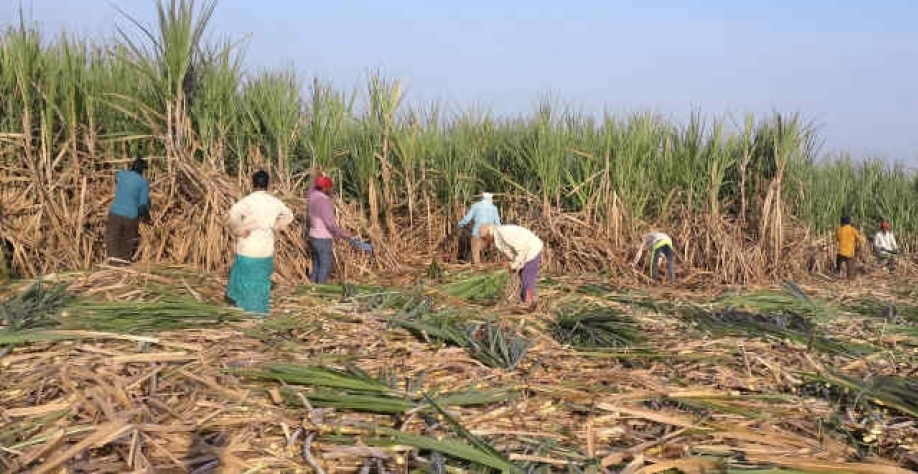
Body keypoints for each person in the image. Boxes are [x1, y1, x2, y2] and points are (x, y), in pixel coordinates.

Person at [226, 170, 293, 314]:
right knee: (261, 281)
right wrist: (276, 226)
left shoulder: (248, 200)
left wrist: (239, 230)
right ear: (268, 184)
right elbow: (289, 216)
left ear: (253, 183)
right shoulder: (274, 202)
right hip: (265, 247)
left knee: (245, 280)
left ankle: (243, 312)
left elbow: (232, 214)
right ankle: (258, 312)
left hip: (248, 245)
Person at [479, 223, 543, 306]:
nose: (485, 241)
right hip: (525, 253)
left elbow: (522, 249)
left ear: (489, 234)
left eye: (485, 238)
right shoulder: (497, 238)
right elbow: (512, 252)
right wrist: (511, 263)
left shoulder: (504, 233)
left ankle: (529, 303)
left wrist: (514, 265)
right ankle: (526, 302)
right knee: (523, 279)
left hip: (531, 251)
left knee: (526, 279)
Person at [306, 172, 352, 284]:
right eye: (329, 187)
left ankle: (312, 287)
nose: (331, 190)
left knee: (317, 264)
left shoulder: (311, 196)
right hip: (322, 238)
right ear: (324, 188)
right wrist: (343, 233)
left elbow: (312, 187)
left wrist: (318, 176)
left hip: (313, 236)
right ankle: (321, 288)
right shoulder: (324, 201)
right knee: (325, 266)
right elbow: (329, 223)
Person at [106, 158, 150, 266]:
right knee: (127, 242)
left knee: (113, 239)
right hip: (130, 217)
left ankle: (112, 264)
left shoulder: (121, 174)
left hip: (115, 213)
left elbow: (114, 175)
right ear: (143, 170)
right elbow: (142, 206)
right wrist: (147, 217)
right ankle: (123, 265)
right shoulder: (143, 183)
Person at [458, 193, 502, 264]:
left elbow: (467, 218)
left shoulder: (476, 206)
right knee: (489, 246)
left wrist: (460, 224)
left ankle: (477, 264)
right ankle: (489, 262)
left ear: (483, 198)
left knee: (475, 245)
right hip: (490, 231)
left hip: (479, 230)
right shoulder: (494, 208)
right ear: (490, 199)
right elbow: (498, 223)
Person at [835, 215, 864, 280]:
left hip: (840, 252)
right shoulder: (852, 230)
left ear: (842, 222)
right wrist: (859, 246)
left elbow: (836, 240)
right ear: (849, 222)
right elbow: (860, 239)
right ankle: (850, 279)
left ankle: (837, 271)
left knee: (838, 263)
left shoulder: (839, 230)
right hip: (849, 253)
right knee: (850, 268)